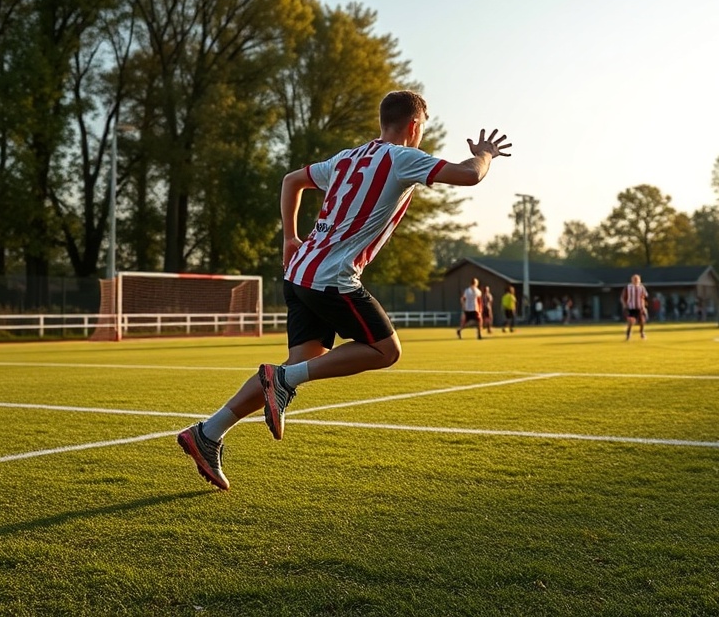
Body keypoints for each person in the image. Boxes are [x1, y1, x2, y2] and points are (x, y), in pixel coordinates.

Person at [177, 90, 511, 490]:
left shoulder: (346, 157)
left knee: (295, 367)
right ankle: (280, 383)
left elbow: (291, 180)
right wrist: (486, 153)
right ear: (415, 126)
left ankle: (208, 433)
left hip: (299, 274)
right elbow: (470, 174)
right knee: (385, 351)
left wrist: (289, 238)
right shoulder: (401, 157)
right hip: (331, 277)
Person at [620, 273, 648, 340]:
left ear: (639, 280)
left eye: (637, 279)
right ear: (632, 280)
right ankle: (628, 334)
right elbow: (623, 297)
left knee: (642, 321)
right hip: (631, 307)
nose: (636, 281)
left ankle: (642, 333)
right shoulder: (628, 287)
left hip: (639, 307)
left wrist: (644, 306)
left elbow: (644, 297)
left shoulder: (642, 287)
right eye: (634, 279)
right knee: (631, 321)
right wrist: (624, 305)